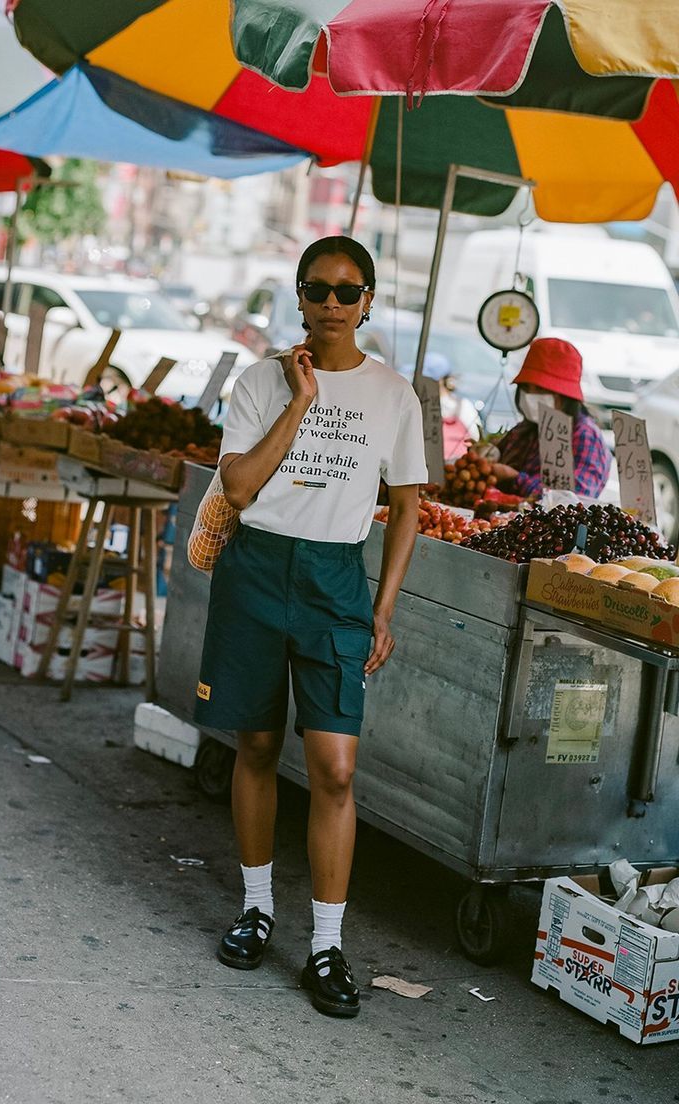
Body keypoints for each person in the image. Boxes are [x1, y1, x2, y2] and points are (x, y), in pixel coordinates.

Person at [193, 236, 427, 1018]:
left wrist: (384, 605)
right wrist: (300, 401)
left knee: (334, 768)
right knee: (255, 744)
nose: (331, 303)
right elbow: (241, 486)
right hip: (256, 570)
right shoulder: (262, 382)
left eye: (347, 290)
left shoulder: (396, 397)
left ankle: (326, 944)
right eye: (317, 289)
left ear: (369, 301)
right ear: (298, 297)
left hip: (334, 584)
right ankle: (257, 908)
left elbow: (406, 507)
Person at [492, 337, 611, 498]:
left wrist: (515, 478)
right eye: (526, 387)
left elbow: (574, 500)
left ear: (565, 396)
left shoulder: (584, 436)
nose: (531, 396)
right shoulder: (524, 430)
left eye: (541, 389)